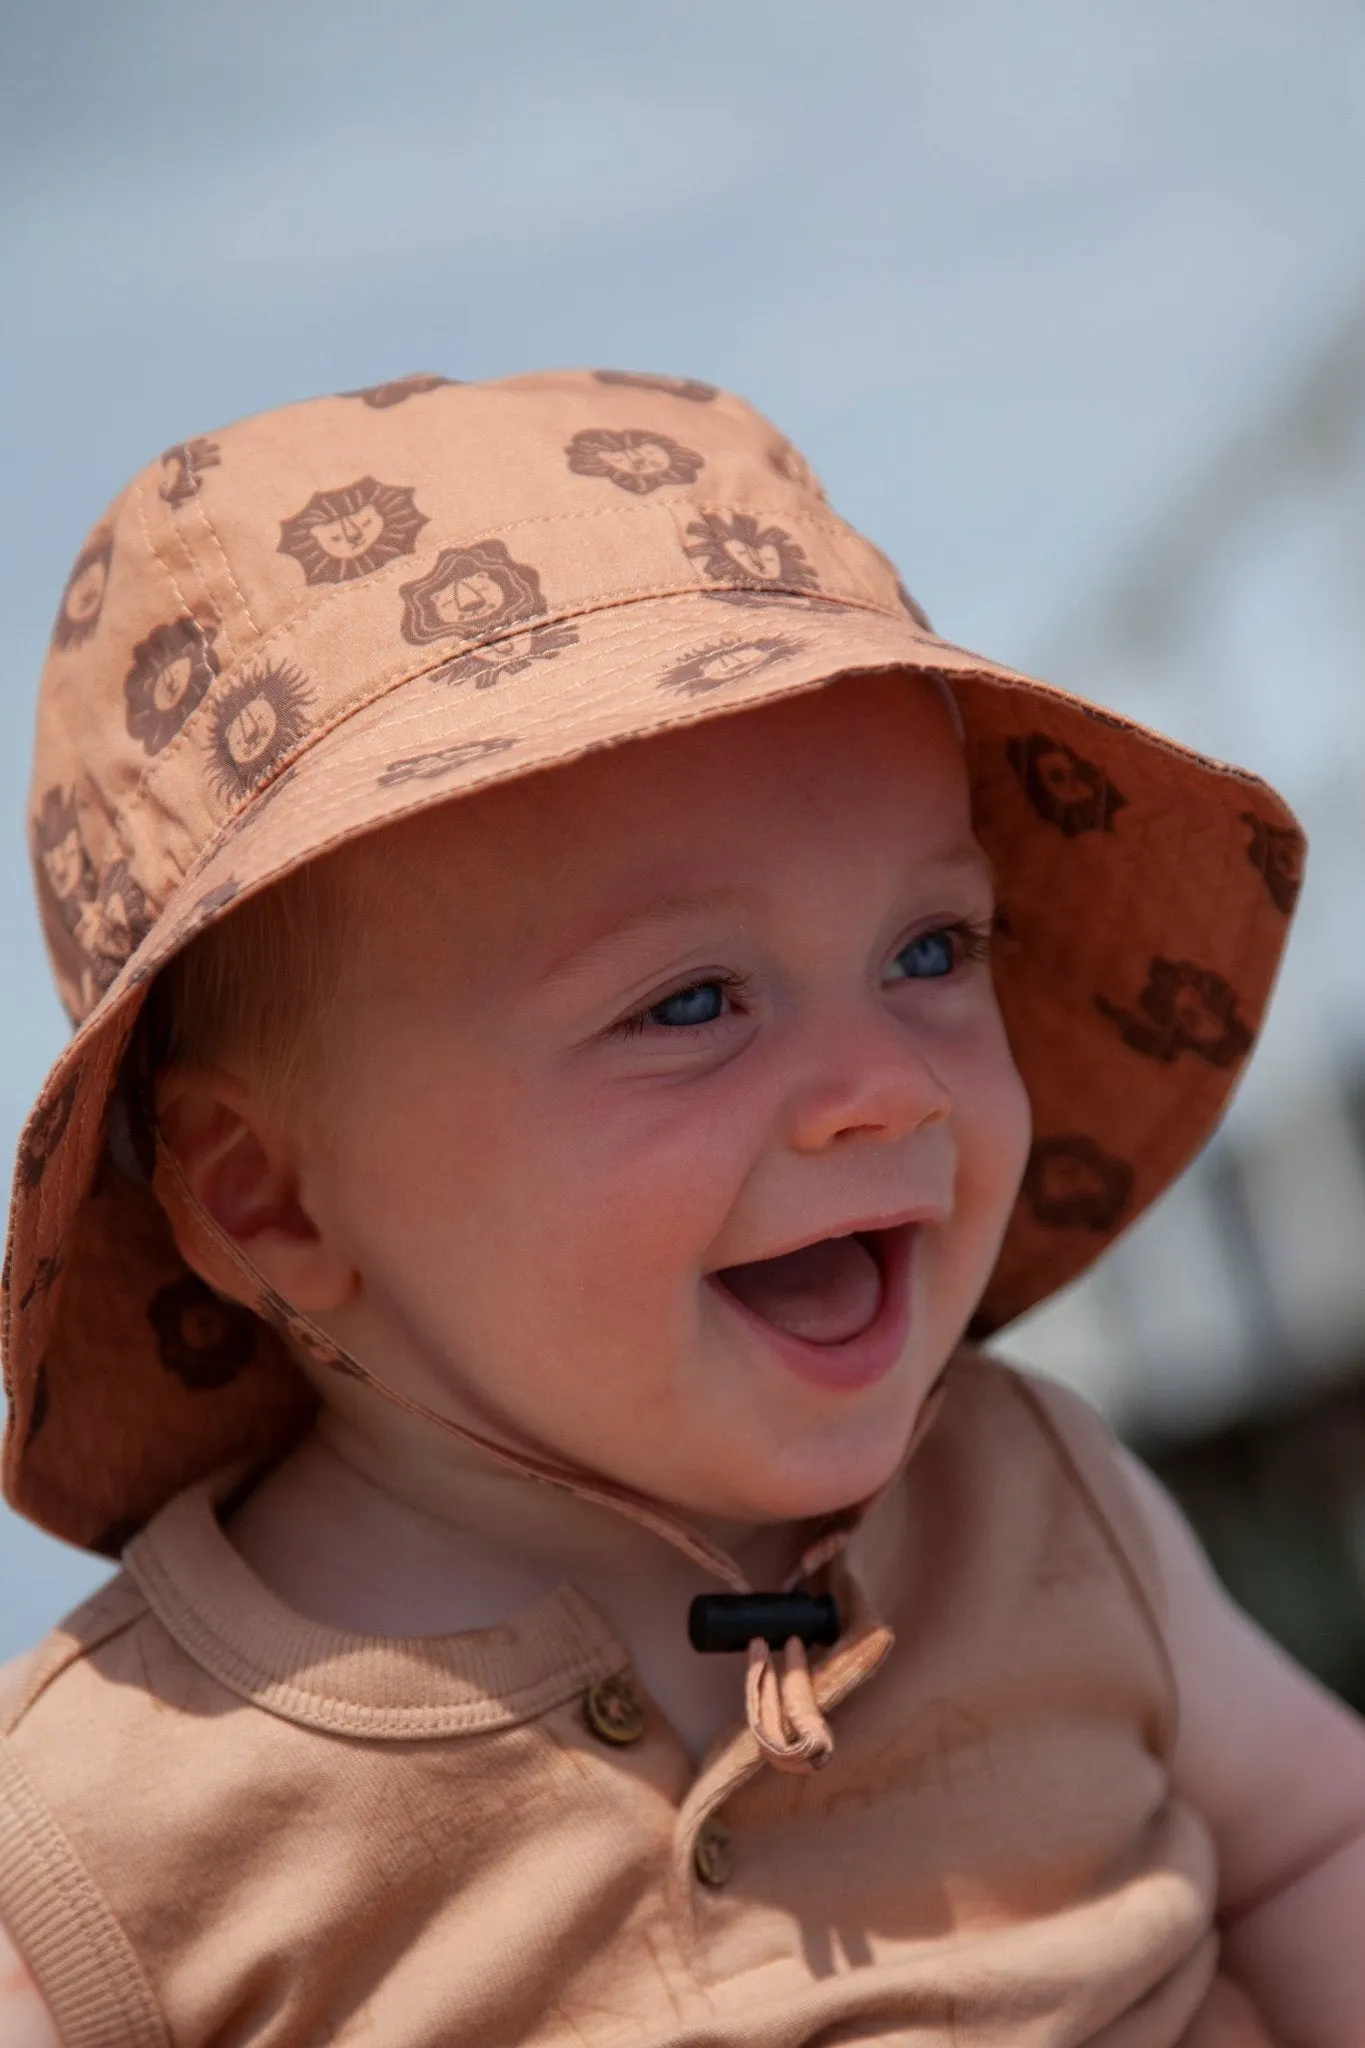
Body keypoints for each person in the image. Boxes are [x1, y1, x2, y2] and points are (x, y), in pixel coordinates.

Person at [0, 368, 1359, 2048]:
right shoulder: (108, 1821)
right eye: (692, 1003)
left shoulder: (1043, 1504)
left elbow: (1318, 1845)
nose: (892, 1083)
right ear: (267, 1196)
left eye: (931, 952)